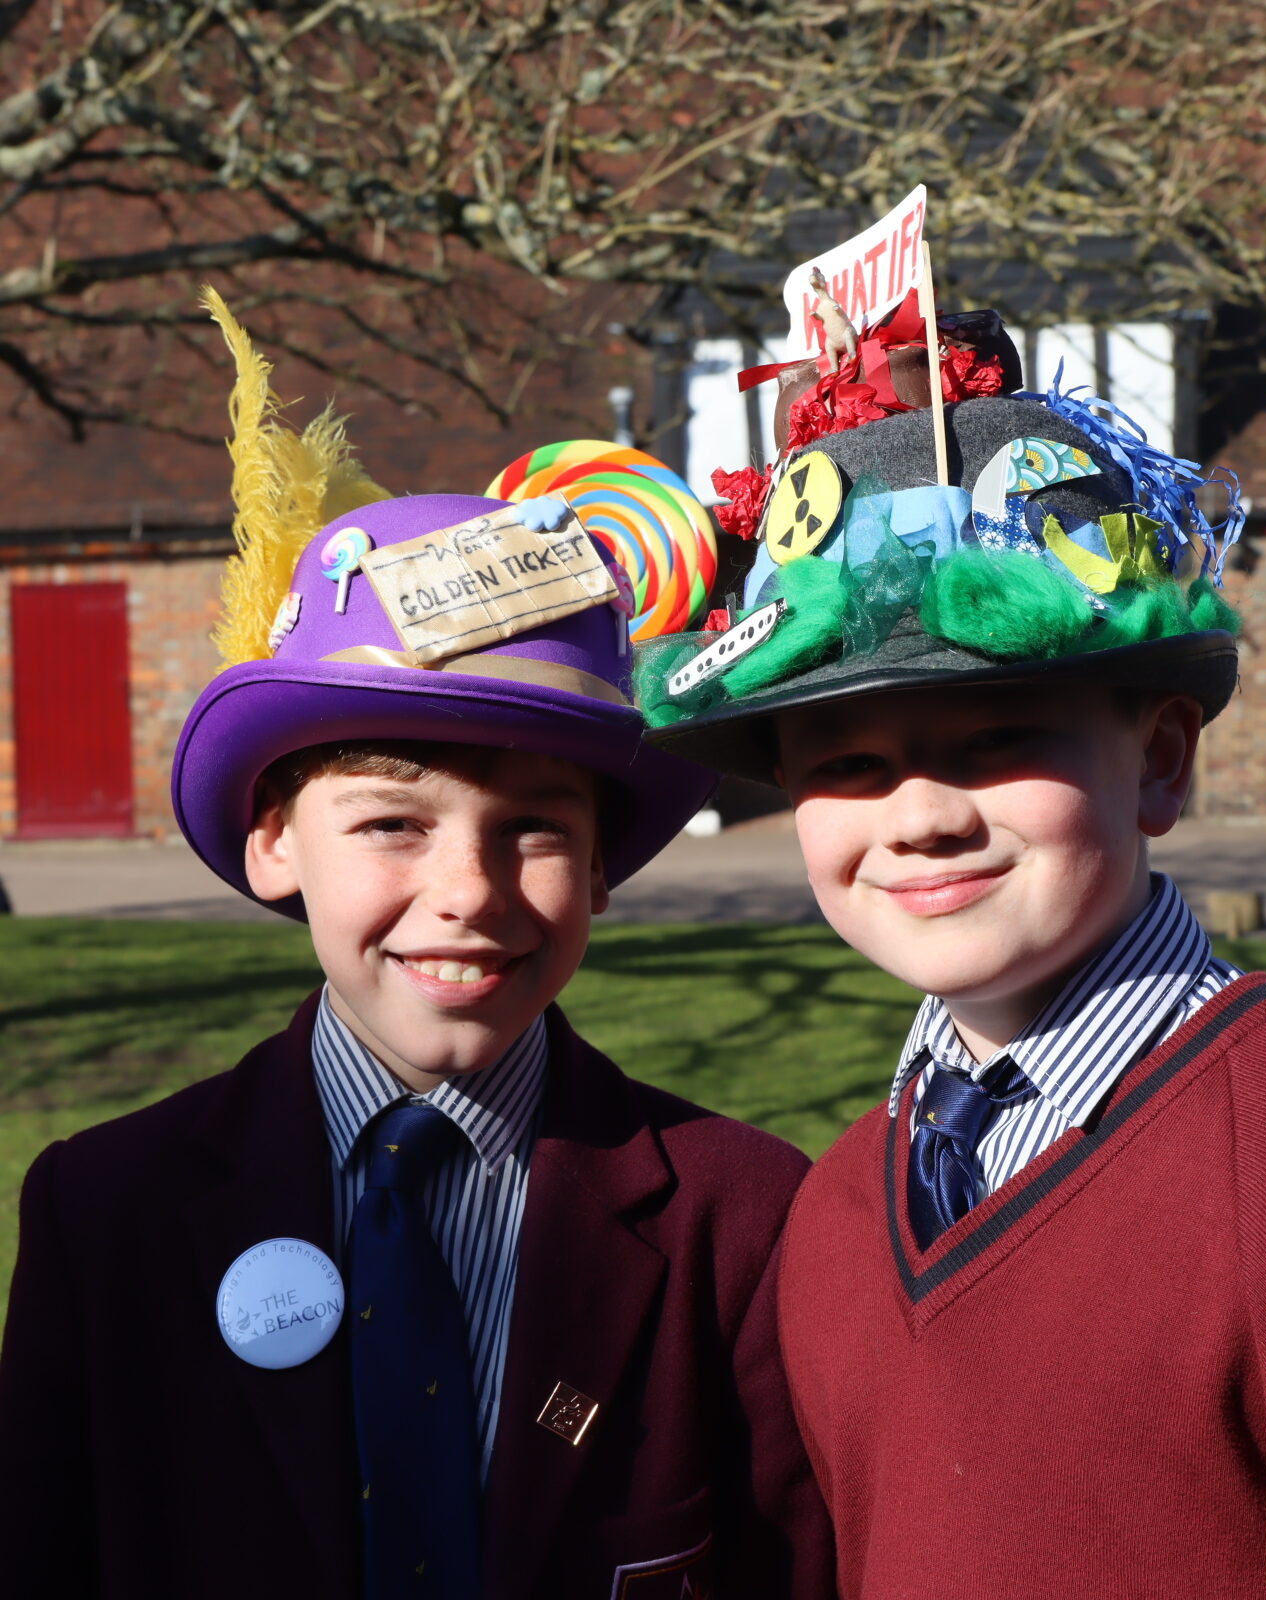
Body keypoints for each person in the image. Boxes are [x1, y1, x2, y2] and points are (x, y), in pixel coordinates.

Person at [0, 296, 834, 1600]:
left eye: (535, 830)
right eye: (392, 823)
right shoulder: (109, 1213)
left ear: (602, 862)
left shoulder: (741, 1220)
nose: (469, 893)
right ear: (275, 843)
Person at [635, 299, 1266, 1596]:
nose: (921, 816)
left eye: (997, 739)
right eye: (846, 763)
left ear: (1162, 760)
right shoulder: (839, 1212)